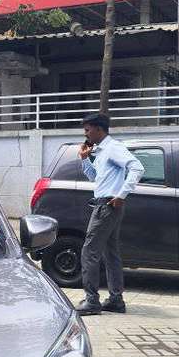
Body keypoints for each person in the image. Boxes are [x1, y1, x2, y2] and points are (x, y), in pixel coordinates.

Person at [76, 113, 144, 316]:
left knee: (89, 252)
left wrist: (122, 194)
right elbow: (96, 178)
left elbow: (137, 168)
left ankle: (91, 301)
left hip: (107, 206)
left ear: (99, 129)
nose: (86, 134)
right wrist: (85, 159)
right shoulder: (102, 151)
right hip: (106, 204)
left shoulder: (113, 148)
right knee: (110, 254)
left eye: (88, 130)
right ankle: (115, 300)